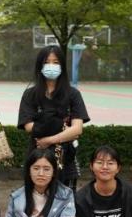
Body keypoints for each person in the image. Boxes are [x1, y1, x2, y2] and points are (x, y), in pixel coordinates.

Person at [17, 45, 90, 189]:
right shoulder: (30, 94)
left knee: (65, 199)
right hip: (37, 157)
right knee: (36, 197)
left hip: (66, 158)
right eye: (46, 62)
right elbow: (28, 126)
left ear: (62, 66)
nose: (51, 66)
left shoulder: (73, 94)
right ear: (40, 65)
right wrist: (63, 128)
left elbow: (77, 129)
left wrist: (48, 140)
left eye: (56, 62)